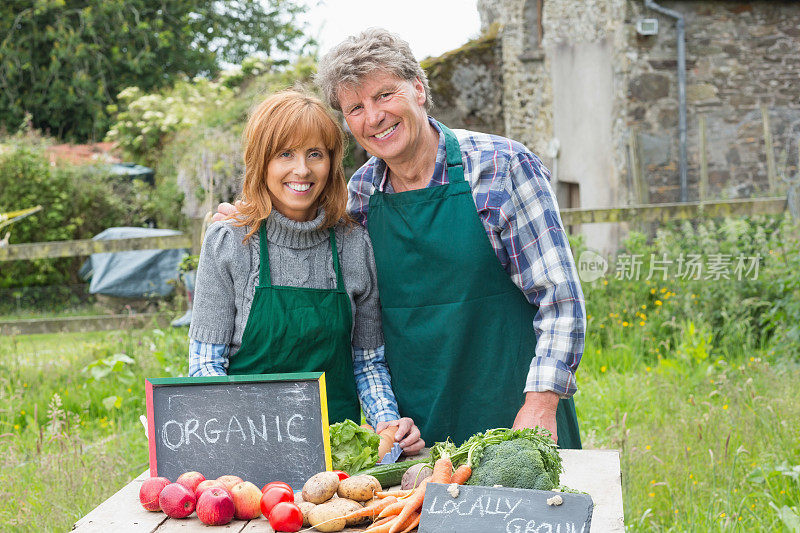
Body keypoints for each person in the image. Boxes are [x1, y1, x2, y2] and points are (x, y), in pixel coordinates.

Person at [218, 29, 585, 448]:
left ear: (418, 89)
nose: (373, 117)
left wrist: (540, 404)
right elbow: (296, 230)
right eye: (355, 107)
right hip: (416, 436)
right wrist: (249, 216)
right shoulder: (358, 195)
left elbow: (561, 299)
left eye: (384, 95)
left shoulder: (501, 168)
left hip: (515, 419)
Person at [190, 90, 423, 454]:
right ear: (260, 160)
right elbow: (206, 367)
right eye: (285, 154)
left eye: (315, 154)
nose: (301, 170)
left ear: (331, 163)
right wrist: (240, 446)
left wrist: (387, 429)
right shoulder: (228, 243)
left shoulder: (355, 245)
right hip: (249, 453)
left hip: (340, 457)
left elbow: (368, 364)